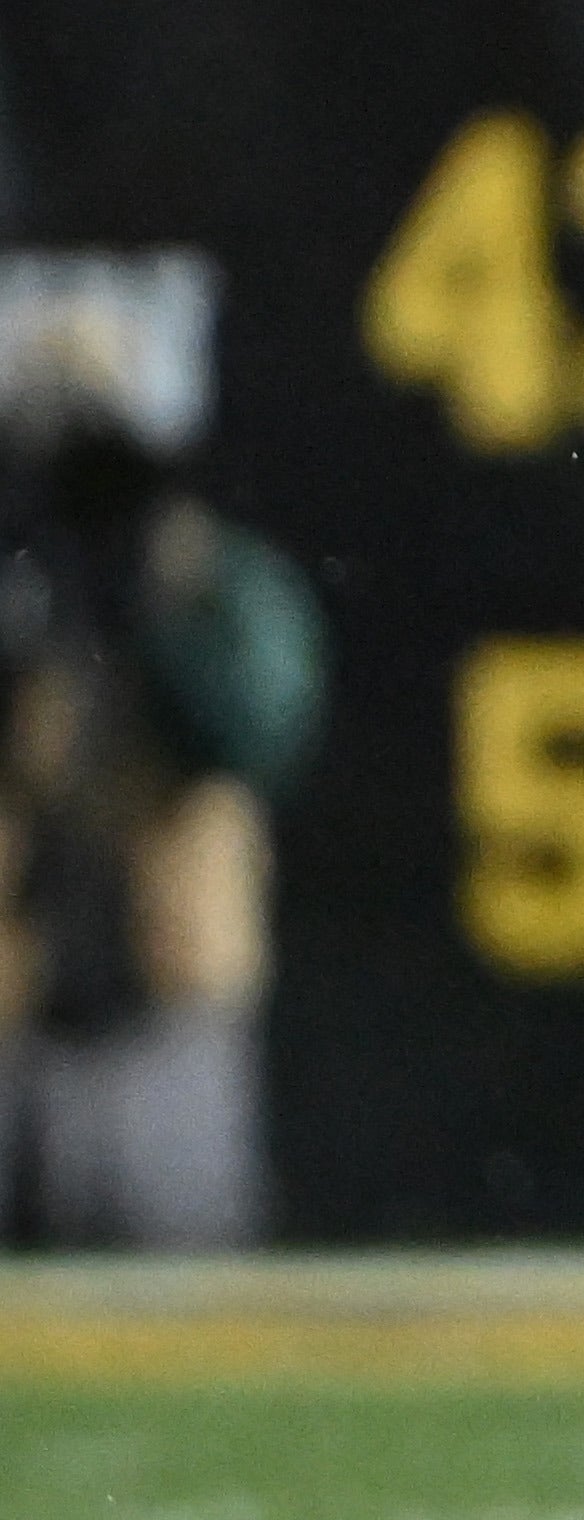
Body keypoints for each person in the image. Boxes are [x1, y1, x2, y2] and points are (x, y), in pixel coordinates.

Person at [0, 351, 325, 1251]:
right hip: (17, 1000)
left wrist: (168, 598)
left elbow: (261, 725)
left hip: (168, 1008)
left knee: (177, 1292)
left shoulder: (205, 583)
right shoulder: (22, 580)